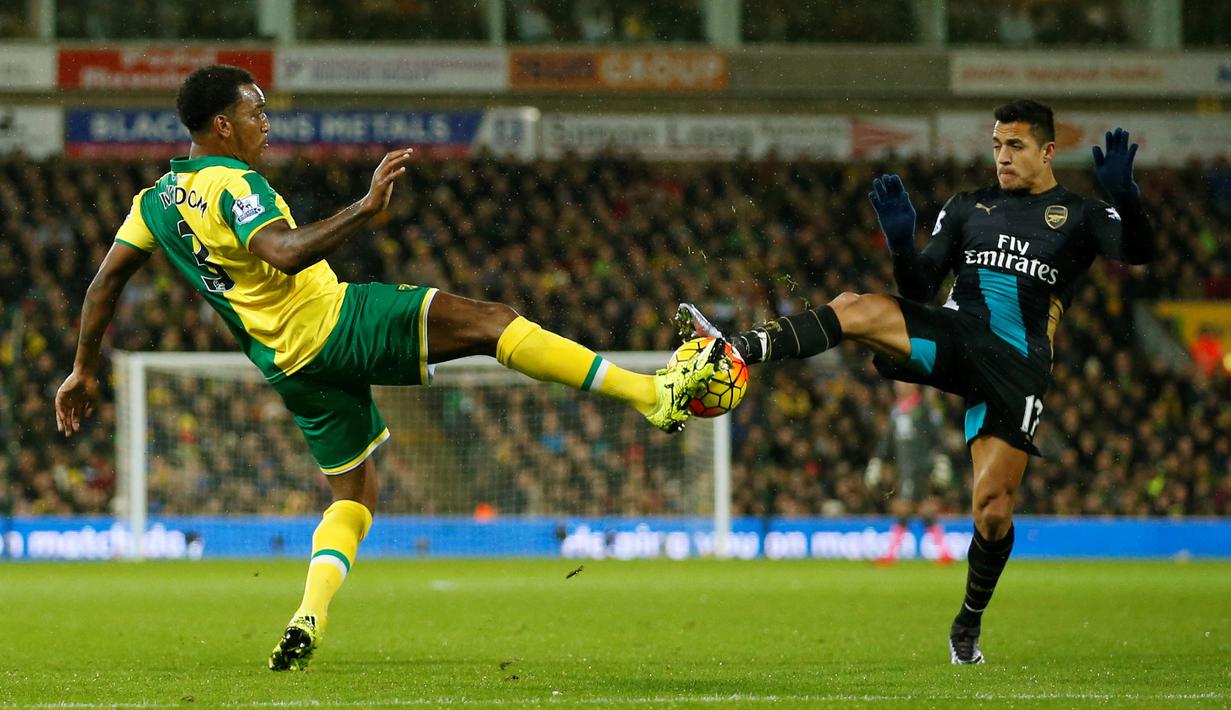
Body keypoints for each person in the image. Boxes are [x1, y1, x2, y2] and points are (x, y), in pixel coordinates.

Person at [53, 64, 726, 671]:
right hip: (333, 325)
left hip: (289, 370)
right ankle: (651, 393)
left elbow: (103, 284)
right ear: (222, 123)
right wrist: (362, 211)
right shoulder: (236, 184)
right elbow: (283, 253)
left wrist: (84, 368)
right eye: (257, 113)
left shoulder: (154, 202)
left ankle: (306, 616)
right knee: (493, 322)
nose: (267, 124)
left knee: (355, 497)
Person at [679, 100, 1154, 664]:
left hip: (1016, 364)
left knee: (993, 509)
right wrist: (902, 242)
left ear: (1049, 151)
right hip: (955, 334)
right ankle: (734, 348)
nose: (1002, 156)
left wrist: (1125, 194)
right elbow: (920, 287)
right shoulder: (967, 207)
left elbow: (1141, 252)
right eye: (997, 144)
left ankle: (967, 626)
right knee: (856, 307)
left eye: (1017, 146)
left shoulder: (1078, 214)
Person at [864, 381, 954, 565]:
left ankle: (890, 554)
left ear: (914, 387)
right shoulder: (897, 411)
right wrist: (877, 461)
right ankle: (944, 552)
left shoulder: (925, 411)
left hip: (920, 468)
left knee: (905, 507)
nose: (899, 386)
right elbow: (887, 441)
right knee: (920, 509)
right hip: (904, 469)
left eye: (904, 383)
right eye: (898, 383)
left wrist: (941, 460)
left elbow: (938, 439)